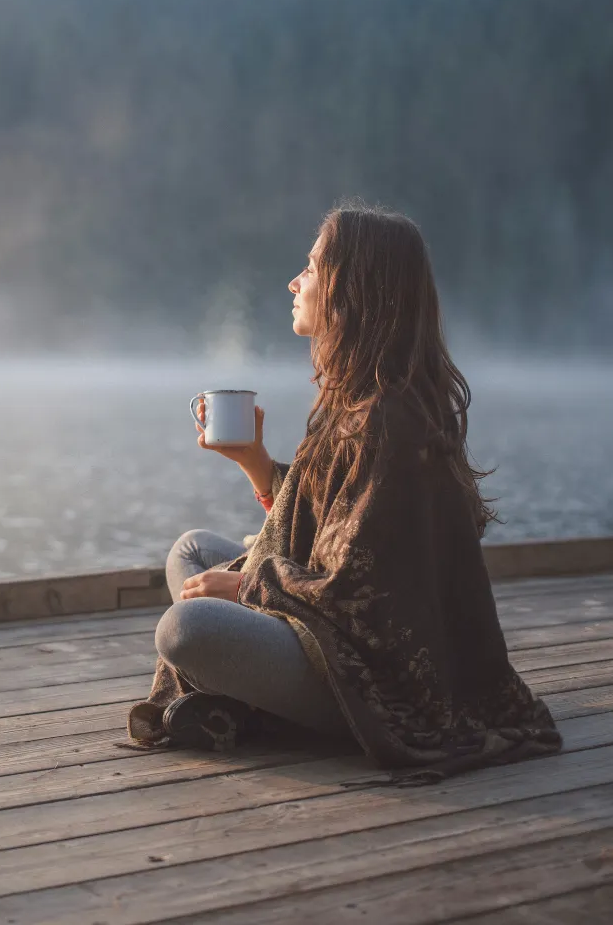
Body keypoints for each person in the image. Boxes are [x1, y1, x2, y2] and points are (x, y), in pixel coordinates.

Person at [123, 200, 562, 780]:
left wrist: (249, 585)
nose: (294, 281)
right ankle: (239, 691)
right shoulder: (357, 399)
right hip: (327, 628)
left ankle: (247, 703)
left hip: (375, 676)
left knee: (186, 629)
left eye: (310, 266)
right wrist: (254, 462)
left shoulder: (391, 421)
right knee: (192, 551)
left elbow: (361, 591)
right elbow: (326, 526)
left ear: (351, 288)